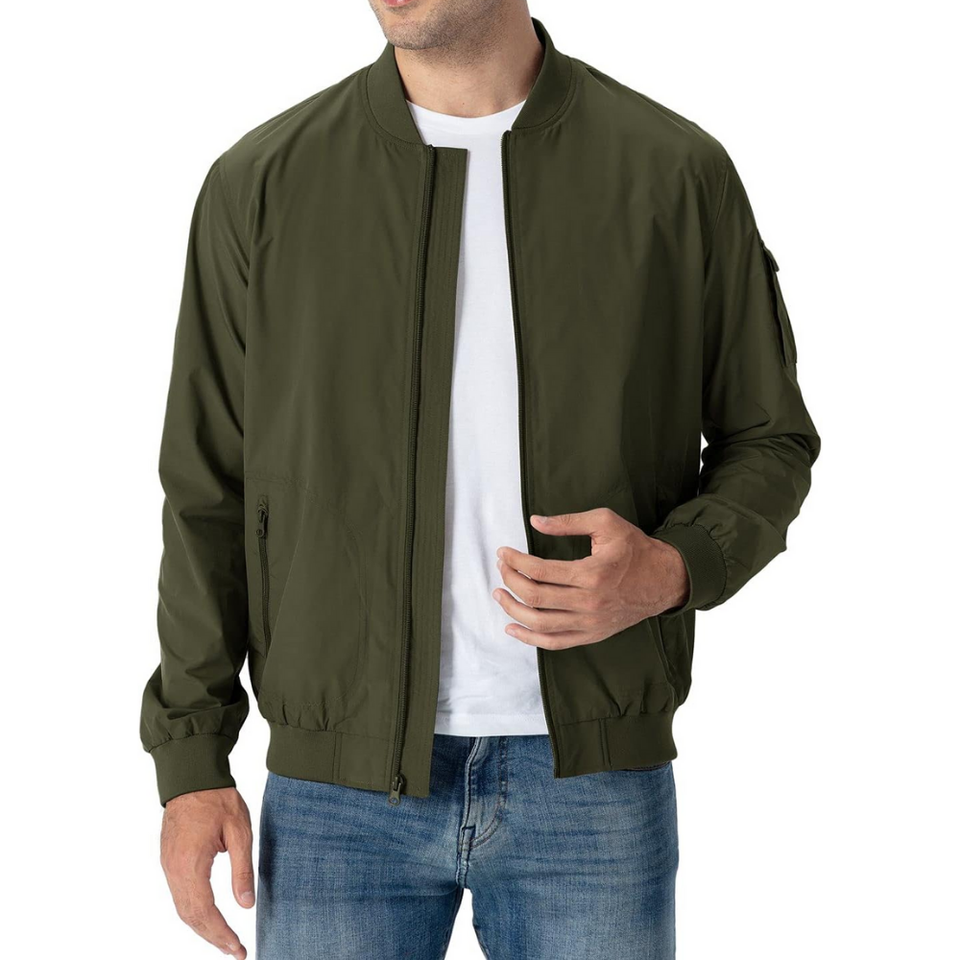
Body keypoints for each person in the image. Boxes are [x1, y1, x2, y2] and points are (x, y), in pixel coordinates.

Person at [140, 2, 820, 957]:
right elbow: (207, 488)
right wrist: (191, 760)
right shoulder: (264, 181)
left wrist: (672, 568)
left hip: (592, 784)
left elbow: (770, 437)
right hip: (338, 796)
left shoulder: (671, 171)